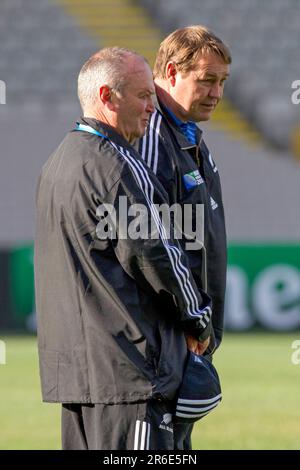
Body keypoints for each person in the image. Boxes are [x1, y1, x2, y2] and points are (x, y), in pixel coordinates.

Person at [34, 47, 213, 450]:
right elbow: (155, 252)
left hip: (77, 374)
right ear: (107, 97)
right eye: (143, 96)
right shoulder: (116, 162)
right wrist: (198, 317)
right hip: (130, 373)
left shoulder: (57, 164)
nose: (153, 108)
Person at [138, 25, 231, 449]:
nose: (216, 93)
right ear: (172, 72)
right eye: (207, 80)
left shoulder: (189, 133)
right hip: (171, 339)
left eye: (222, 82)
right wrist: (188, 320)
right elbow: (152, 243)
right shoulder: (155, 136)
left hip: (191, 333)